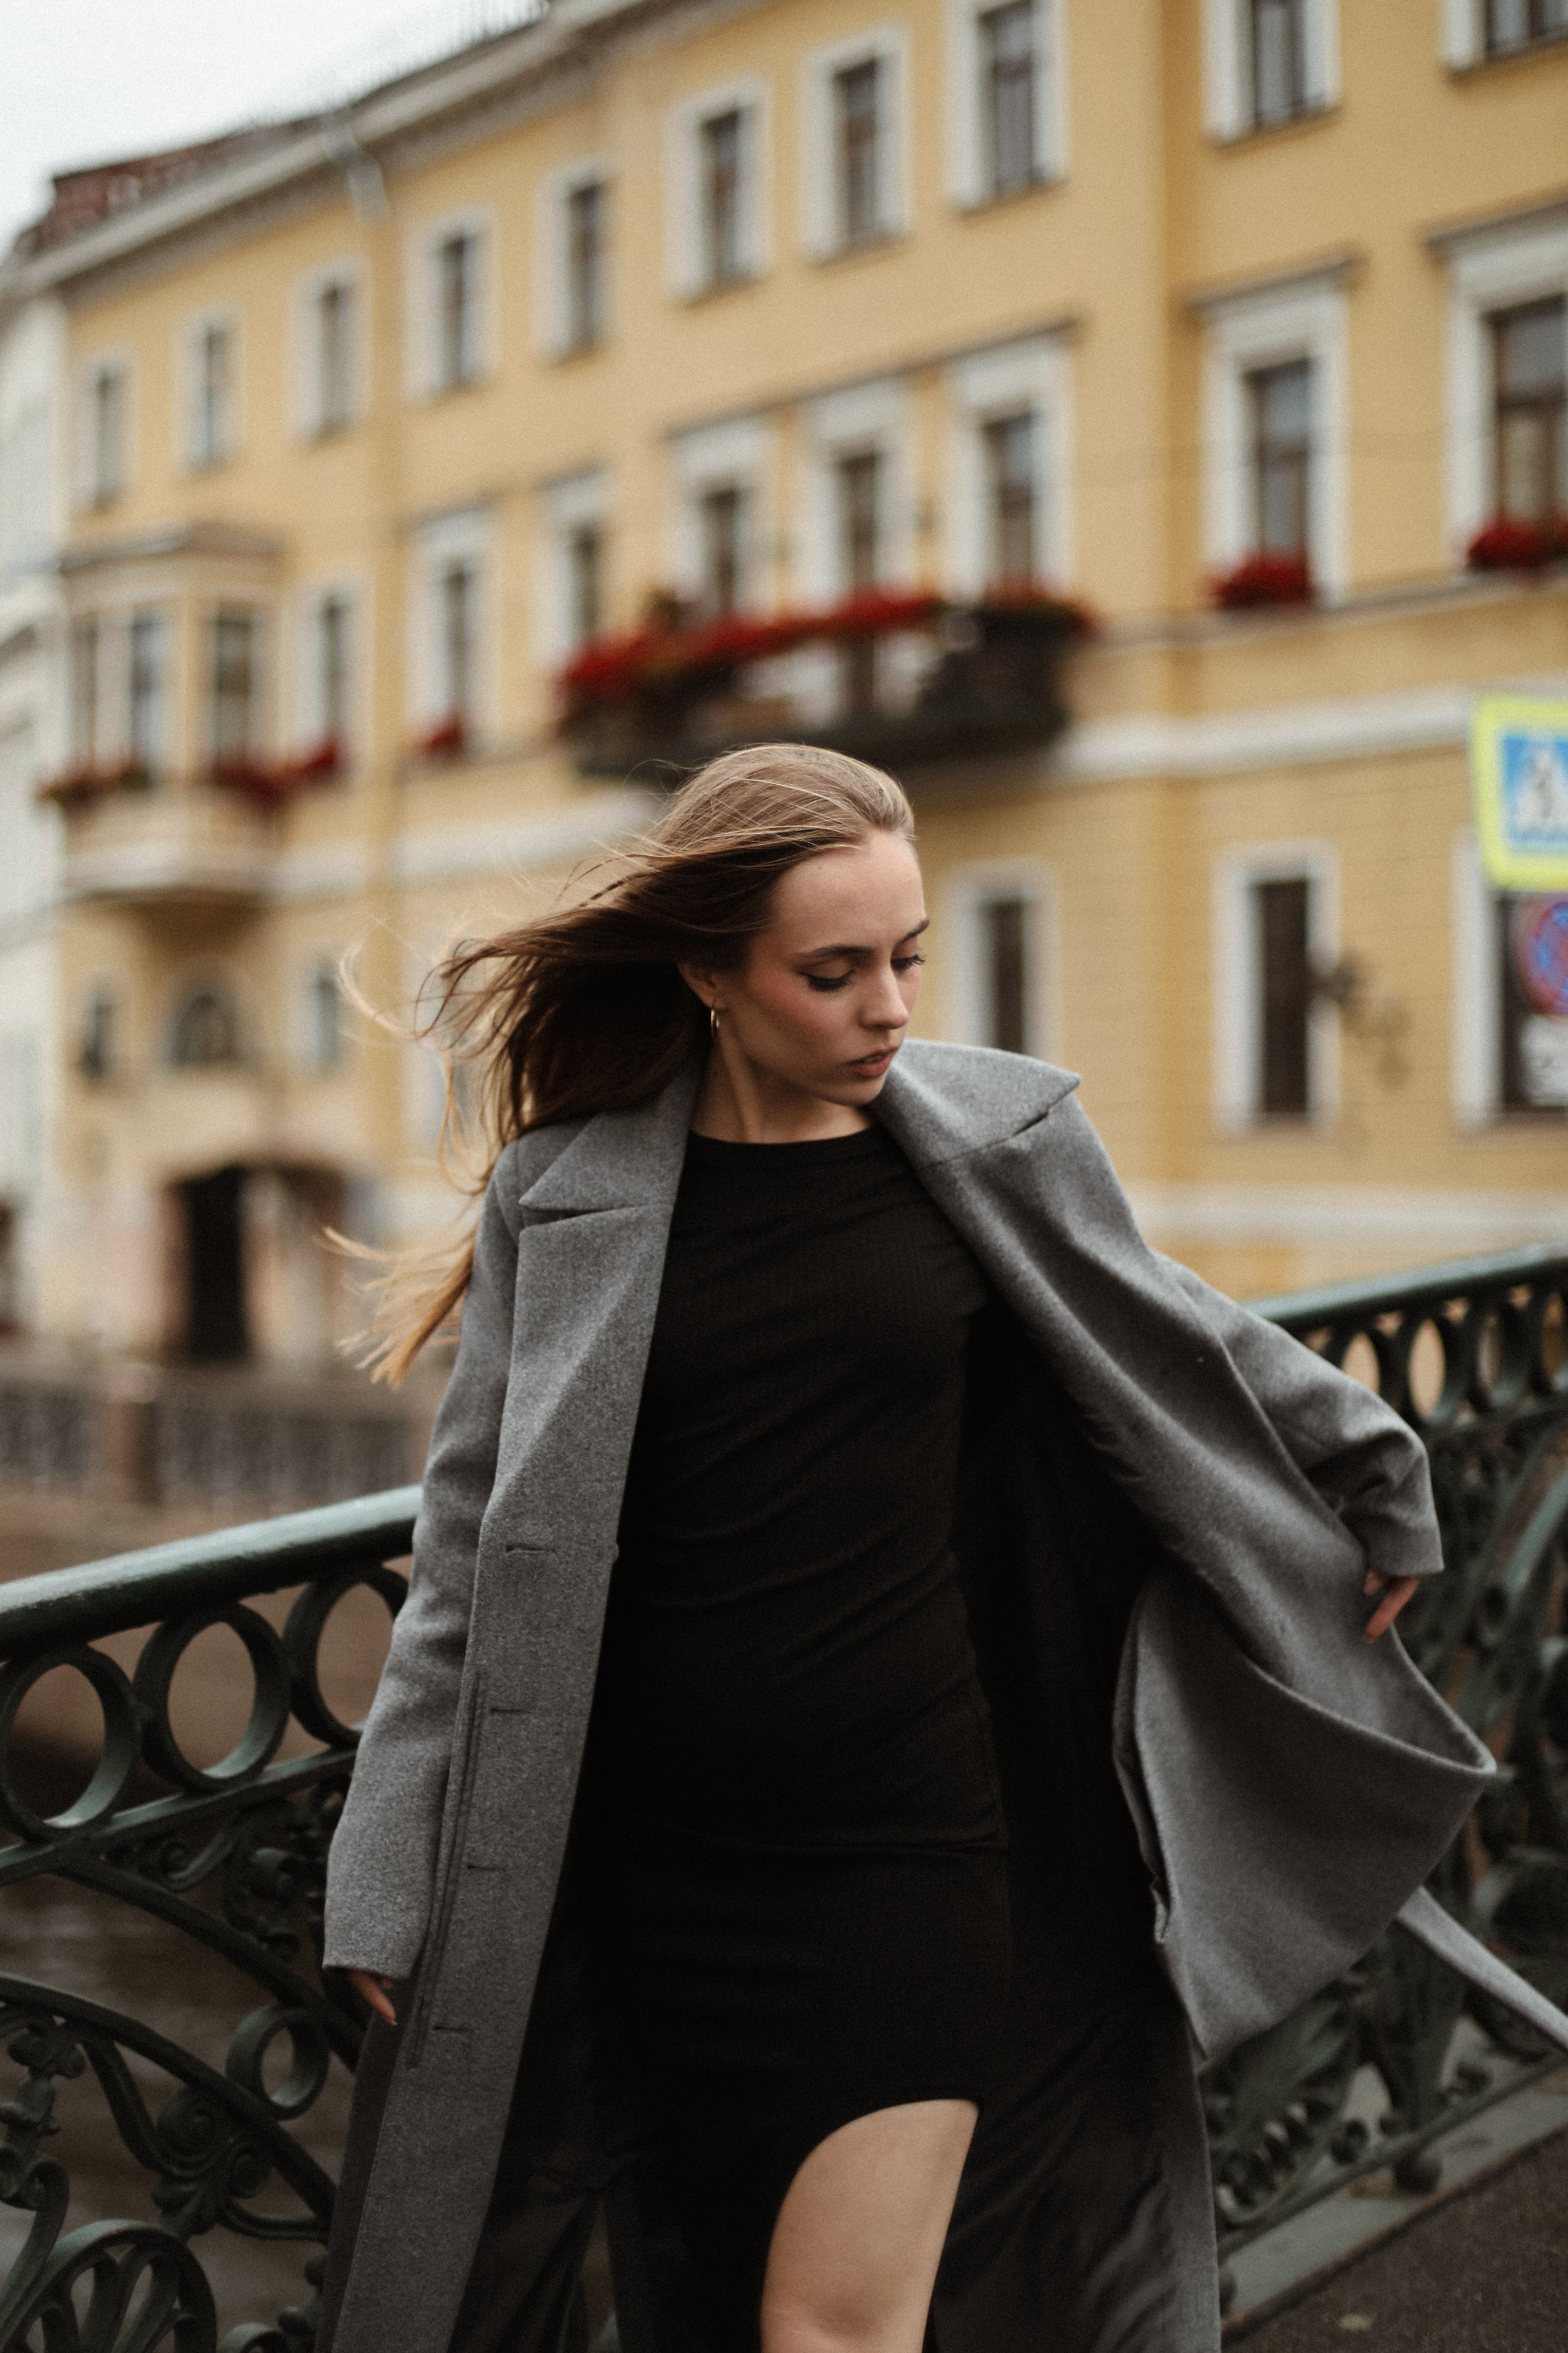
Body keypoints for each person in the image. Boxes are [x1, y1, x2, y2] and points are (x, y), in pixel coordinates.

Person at [318, 744, 1568, 2353]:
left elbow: (1170, 1332)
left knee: (839, 2329)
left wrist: (1366, 1463)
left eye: (906, 958)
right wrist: (389, 1856)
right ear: (709, 972)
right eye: (831, 972)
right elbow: (477, 1551)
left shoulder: (990, 1138)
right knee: (695, 2304)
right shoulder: (567, 1197)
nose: (889, 1007)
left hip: (912, 1852)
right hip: (645, 1880)